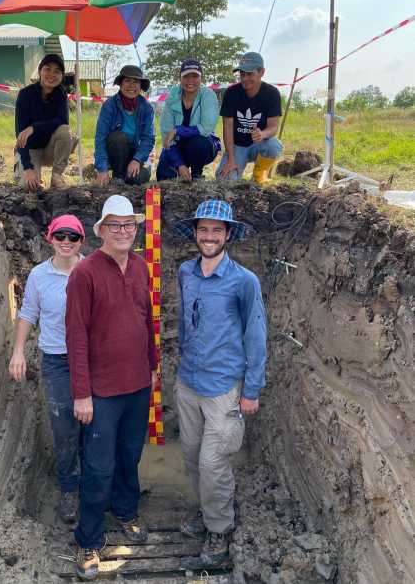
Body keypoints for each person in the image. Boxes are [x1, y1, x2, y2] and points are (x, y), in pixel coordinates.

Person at [66, 195, 158, 580]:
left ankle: (125, 511)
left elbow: (147, 320)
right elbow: (76, 337)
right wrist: (82, 393)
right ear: (100, 230)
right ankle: (88, 538)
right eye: (115, 225)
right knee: (99, 466)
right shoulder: (84, 273)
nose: (123, 232)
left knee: (130, 454)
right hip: (101, 392)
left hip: (137, 384)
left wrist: (153, 367)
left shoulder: (139, 266)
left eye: (129, 225)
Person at [173, 200, 267, 567]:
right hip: (188, 382)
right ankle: (207, 510)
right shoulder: (185, 271)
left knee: (215, 463)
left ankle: (219, 527)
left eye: (217, 230)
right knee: (192, 457)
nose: (209, 237)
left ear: (228, 234)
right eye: (203, 230)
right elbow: (184, 322)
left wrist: (252, 390)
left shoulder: (244, 281)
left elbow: (256, 335)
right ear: (195, 234)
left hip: (224, 387)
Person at [9, 214, 85, 524]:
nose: (66, 242)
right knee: (65, 428)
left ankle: (95, 486)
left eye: (73, 237)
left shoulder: (93, 269)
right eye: (60, 236)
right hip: (56, 360)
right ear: (49, 238)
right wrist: (18, 352)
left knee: (96, 426)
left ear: (82, 241)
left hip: (93, 360)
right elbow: (27, 313)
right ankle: (70, 488)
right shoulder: (40, 276)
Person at [216, 52, 282, 184]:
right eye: (242, 74)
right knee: (224, 182)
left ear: (262, 72)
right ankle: (233, 166)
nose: (245, 78)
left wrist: (263, 134)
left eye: (250, 74)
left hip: (258, 144)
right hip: (237, 146)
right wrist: (231, 160)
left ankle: (258, 175)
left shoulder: (272, 93)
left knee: (274, 145)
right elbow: (227, 127)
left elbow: (273, 127)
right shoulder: (231, 93)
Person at [14, 53, 73, 191]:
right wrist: (28, 168)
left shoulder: (61, 93)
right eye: (47, 69)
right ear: (40, 71)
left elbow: (62, 120)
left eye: (57, 71)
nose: (51, 74)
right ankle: (20, 169)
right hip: (30, 149)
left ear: (62, 76)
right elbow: (20, 134)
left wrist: (34, 127)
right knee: (28, 186)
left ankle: (57, 176)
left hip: (51, 148)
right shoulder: (25, 94)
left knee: (65, 130)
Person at [156, 58, 220, 182]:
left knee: (198, 142)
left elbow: (206, 128)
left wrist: (177, 130)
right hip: (177, 145)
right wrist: (179, 164)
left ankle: (196, 175)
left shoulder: (208, 95)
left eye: (195, 76)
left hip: (202, 145)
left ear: (201, 78)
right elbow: (166, 135)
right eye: (186, 76)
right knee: (163, 176)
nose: (190, 81)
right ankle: (181, 172)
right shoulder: (172, 96)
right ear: (180, 78)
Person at [94, 66, 154, 186]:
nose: (131, 85)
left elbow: (148, 138)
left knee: (140, 178)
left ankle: (125, 177)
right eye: (127, 81)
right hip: (115, 153)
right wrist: (102, 169)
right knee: (118, 137)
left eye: (136, 81)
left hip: (135, 155)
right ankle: (117, 176)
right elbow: (100, 138)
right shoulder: (109, 105)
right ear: (121, 83)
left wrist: (137, 160)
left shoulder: (146, 107)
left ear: (140, 86)